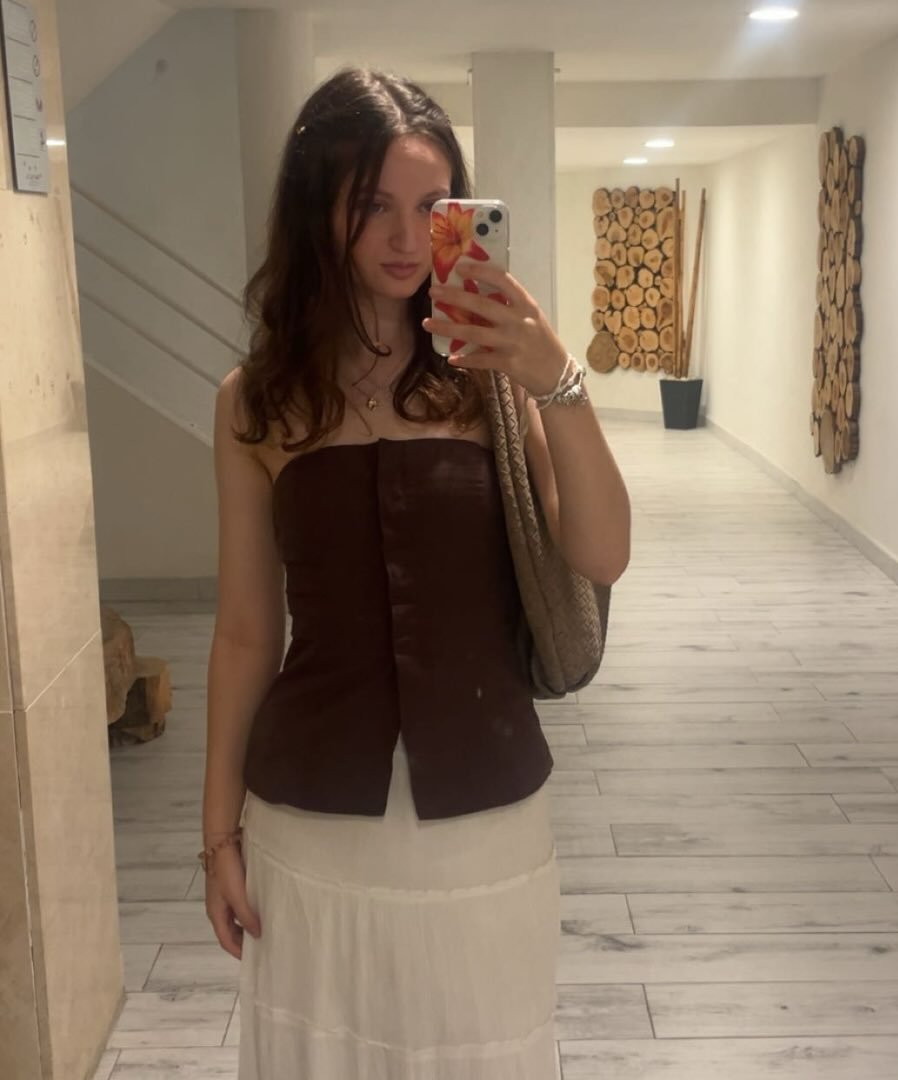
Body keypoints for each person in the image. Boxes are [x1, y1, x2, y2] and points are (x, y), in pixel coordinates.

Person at [200, 67, 631, 1080]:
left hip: (486, 817)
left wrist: (557, 381)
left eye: (430, 207)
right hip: (310, 823)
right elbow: (247, 630)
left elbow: (602, 553)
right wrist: (218, 832)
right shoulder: (254, 403)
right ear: (319, 212)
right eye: (372, 206)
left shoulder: (492, 378)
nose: (404, 237)